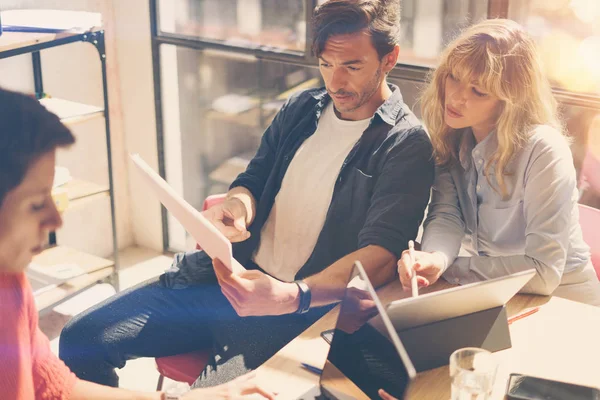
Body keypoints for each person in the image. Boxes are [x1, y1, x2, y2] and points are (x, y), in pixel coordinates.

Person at [60, 0, 435, 390]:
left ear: (389, 58)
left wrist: (292, 296)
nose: (335, 82)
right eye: (325, 64)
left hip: (293, 311)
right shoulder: (302, 108)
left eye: (352, 67)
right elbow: (253, 179)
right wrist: (237, 206)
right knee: (79, 341)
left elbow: (379, 257)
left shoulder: (405, 144)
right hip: (222, 281)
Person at [0, 88, 275, 399]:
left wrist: (177, 398)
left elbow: (54, 386)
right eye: (36, 204)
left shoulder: (10, 281)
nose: (56, 220)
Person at [397, 19, 600, 306]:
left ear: (509, 101)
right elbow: (446, 215)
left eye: (478, 91)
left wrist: (451, 269)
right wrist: (434, 259)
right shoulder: (450, 137)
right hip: (497, 294)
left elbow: (544, 272)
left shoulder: (544, 150)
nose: (455, 97)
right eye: (453, 77)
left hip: (567, 300)